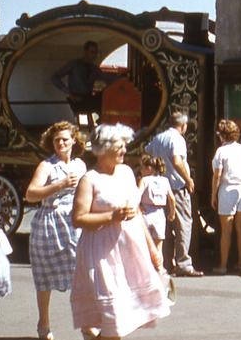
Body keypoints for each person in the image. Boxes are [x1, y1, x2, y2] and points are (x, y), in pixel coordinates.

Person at [70, 124, 171, 339]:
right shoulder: (90, 179)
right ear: (104, 148)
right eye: (120, 146)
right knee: (113, 320)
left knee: (123, 318)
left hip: (129, 254)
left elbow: (137, 213)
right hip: (102, 255)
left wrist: (152, 249)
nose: (125, 150)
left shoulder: (126, 172)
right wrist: (112, 217)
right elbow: (78, 219)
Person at [25, 121, 88, 340]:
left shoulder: (80, 165)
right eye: (56, 140)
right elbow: (31, 194)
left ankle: (86, 323)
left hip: (74, 223)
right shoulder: (47, 166)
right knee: (45, 277)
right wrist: (59, 185)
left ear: (74, 141)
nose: (60, 143)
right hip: (49, 224)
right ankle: (44, 323)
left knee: (82, 274)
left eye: (64, 139)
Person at [143, 112, 202, 277]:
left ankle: (166, 261)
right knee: (183, 224)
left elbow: (146, 153)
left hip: (160, 185)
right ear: (183, 126)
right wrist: (188, 179)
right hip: (176, 186)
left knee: (165, 227)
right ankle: (183, 263)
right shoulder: (178, 139)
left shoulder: (159, 137)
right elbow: (177, 160)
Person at [211, 119, 241, 274]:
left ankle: (223, 265)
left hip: (227, 189)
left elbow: (217, 175)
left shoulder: (221, 151)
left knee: (226, 230)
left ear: (222, 135)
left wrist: (213, 194)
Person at [50, 41, 118, 121]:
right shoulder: (74, 64)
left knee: (104, 96)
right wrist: (69, 93)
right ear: (85, 52)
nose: (94, 55)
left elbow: (106, 78)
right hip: (77, 100)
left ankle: (104, 122)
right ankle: (102, 121)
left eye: (96, 53)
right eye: (92, 52)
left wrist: (121, 80)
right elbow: (54, 77)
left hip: (89, 98)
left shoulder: (94, 68)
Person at [137, 155, 176, 263]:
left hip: (146, 212)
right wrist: (172, 213)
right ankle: (159, 268)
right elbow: (172, 198)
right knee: (159, 246)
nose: (141, 170)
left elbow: (137, 195)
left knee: (145, 245)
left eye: (143, 168)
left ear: (149, 168)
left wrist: (138, 207)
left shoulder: (145, 180)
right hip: (159, 213)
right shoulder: (165, 180)